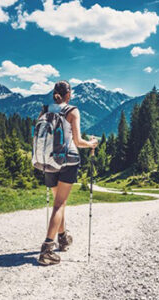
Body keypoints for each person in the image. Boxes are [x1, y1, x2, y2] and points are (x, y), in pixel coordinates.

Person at [37, 80, 98, 266]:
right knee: (60, 204)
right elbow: (78, 141)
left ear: (54, 93)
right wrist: (91, 144)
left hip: (48, 161)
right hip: (68, 161)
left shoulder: (45, 108)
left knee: (58, 203)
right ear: (68, 94)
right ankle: (47, 249)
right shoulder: (72, 111)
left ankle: (62, 238)